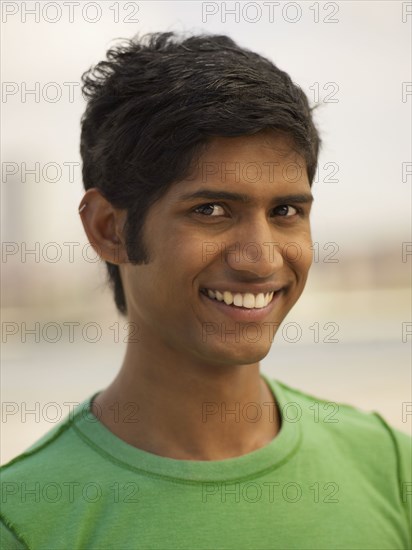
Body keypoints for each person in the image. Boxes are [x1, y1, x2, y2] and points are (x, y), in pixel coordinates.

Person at [1, 31, 410, 550]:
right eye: (210, 210)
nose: (260, 258)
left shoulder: (390, 469)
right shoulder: (23, 522)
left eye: (285, 211)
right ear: (109, 229)